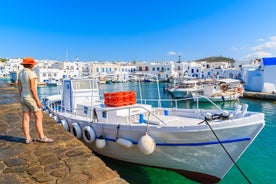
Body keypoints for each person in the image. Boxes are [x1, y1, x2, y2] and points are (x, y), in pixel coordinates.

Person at [18, 57, 53, 144]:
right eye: (33, 64)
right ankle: (42, 137)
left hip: (23, 97)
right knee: (39, 117)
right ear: (30, 64)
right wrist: (37, 101)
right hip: (31, 98)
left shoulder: (21, 73)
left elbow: (19, 87)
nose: (34, 65)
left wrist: (22, 96)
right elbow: (33, 89)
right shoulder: (32, 74)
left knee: (26, 118)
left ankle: (27, 138)